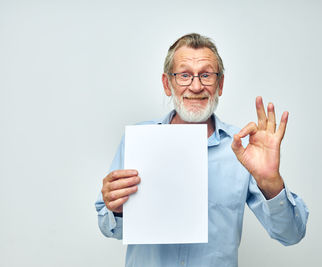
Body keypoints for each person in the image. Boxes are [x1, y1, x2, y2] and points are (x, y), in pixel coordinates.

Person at [95, 33, 309, 267]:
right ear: (168, 84)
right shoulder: (137, 141)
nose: (196, 86)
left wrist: (271, 183)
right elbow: (109, 228)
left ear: (220, 84)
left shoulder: (243, 148)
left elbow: (291, 234)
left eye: (206, 75)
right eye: (184, 75)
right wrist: (116, 209)